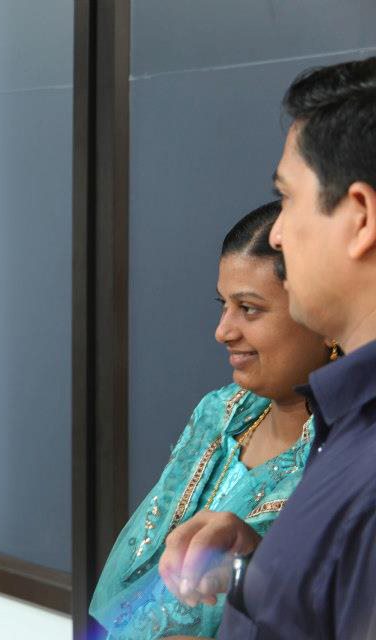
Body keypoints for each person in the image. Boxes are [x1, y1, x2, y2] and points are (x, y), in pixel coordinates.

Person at [159, 56, 376, 639]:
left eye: (287, 200)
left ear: (359, 216)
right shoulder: (345, 421)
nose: (277, 232)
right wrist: (260, 570)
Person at [90, 201, 334, 639]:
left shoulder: (342, 451)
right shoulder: (221, 412)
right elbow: (131, 576)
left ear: (322, 314)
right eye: (223, 305)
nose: (223, 330)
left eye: (250, 308)